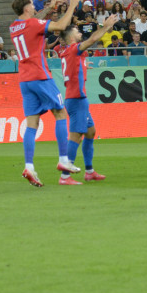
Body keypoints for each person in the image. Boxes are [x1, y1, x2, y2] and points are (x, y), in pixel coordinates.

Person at [10, 0, 83, 187]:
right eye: (32, 4)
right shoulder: (33, 24)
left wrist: (50, 7)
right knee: (60, 112)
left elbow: (32, 20)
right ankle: (63, 159)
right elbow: (59, 27)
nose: (35, 7)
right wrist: (72, 6)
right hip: (40, 75)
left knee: (32, 123)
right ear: (26, 8)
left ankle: (29, 166)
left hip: (24, 79)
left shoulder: (14, 27)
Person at [57, 13, 119, 184]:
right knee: (76, 135)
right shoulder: (73, 49)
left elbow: (73, 67)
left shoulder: (70, 54)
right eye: (77, 30)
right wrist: (106, 26)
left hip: (77, 97)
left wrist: (84, 66)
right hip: (76, 98)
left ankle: (89, 171)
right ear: (70, 35)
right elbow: (92, 40)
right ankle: (65, 176)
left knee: (90, 132)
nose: (79, 32)